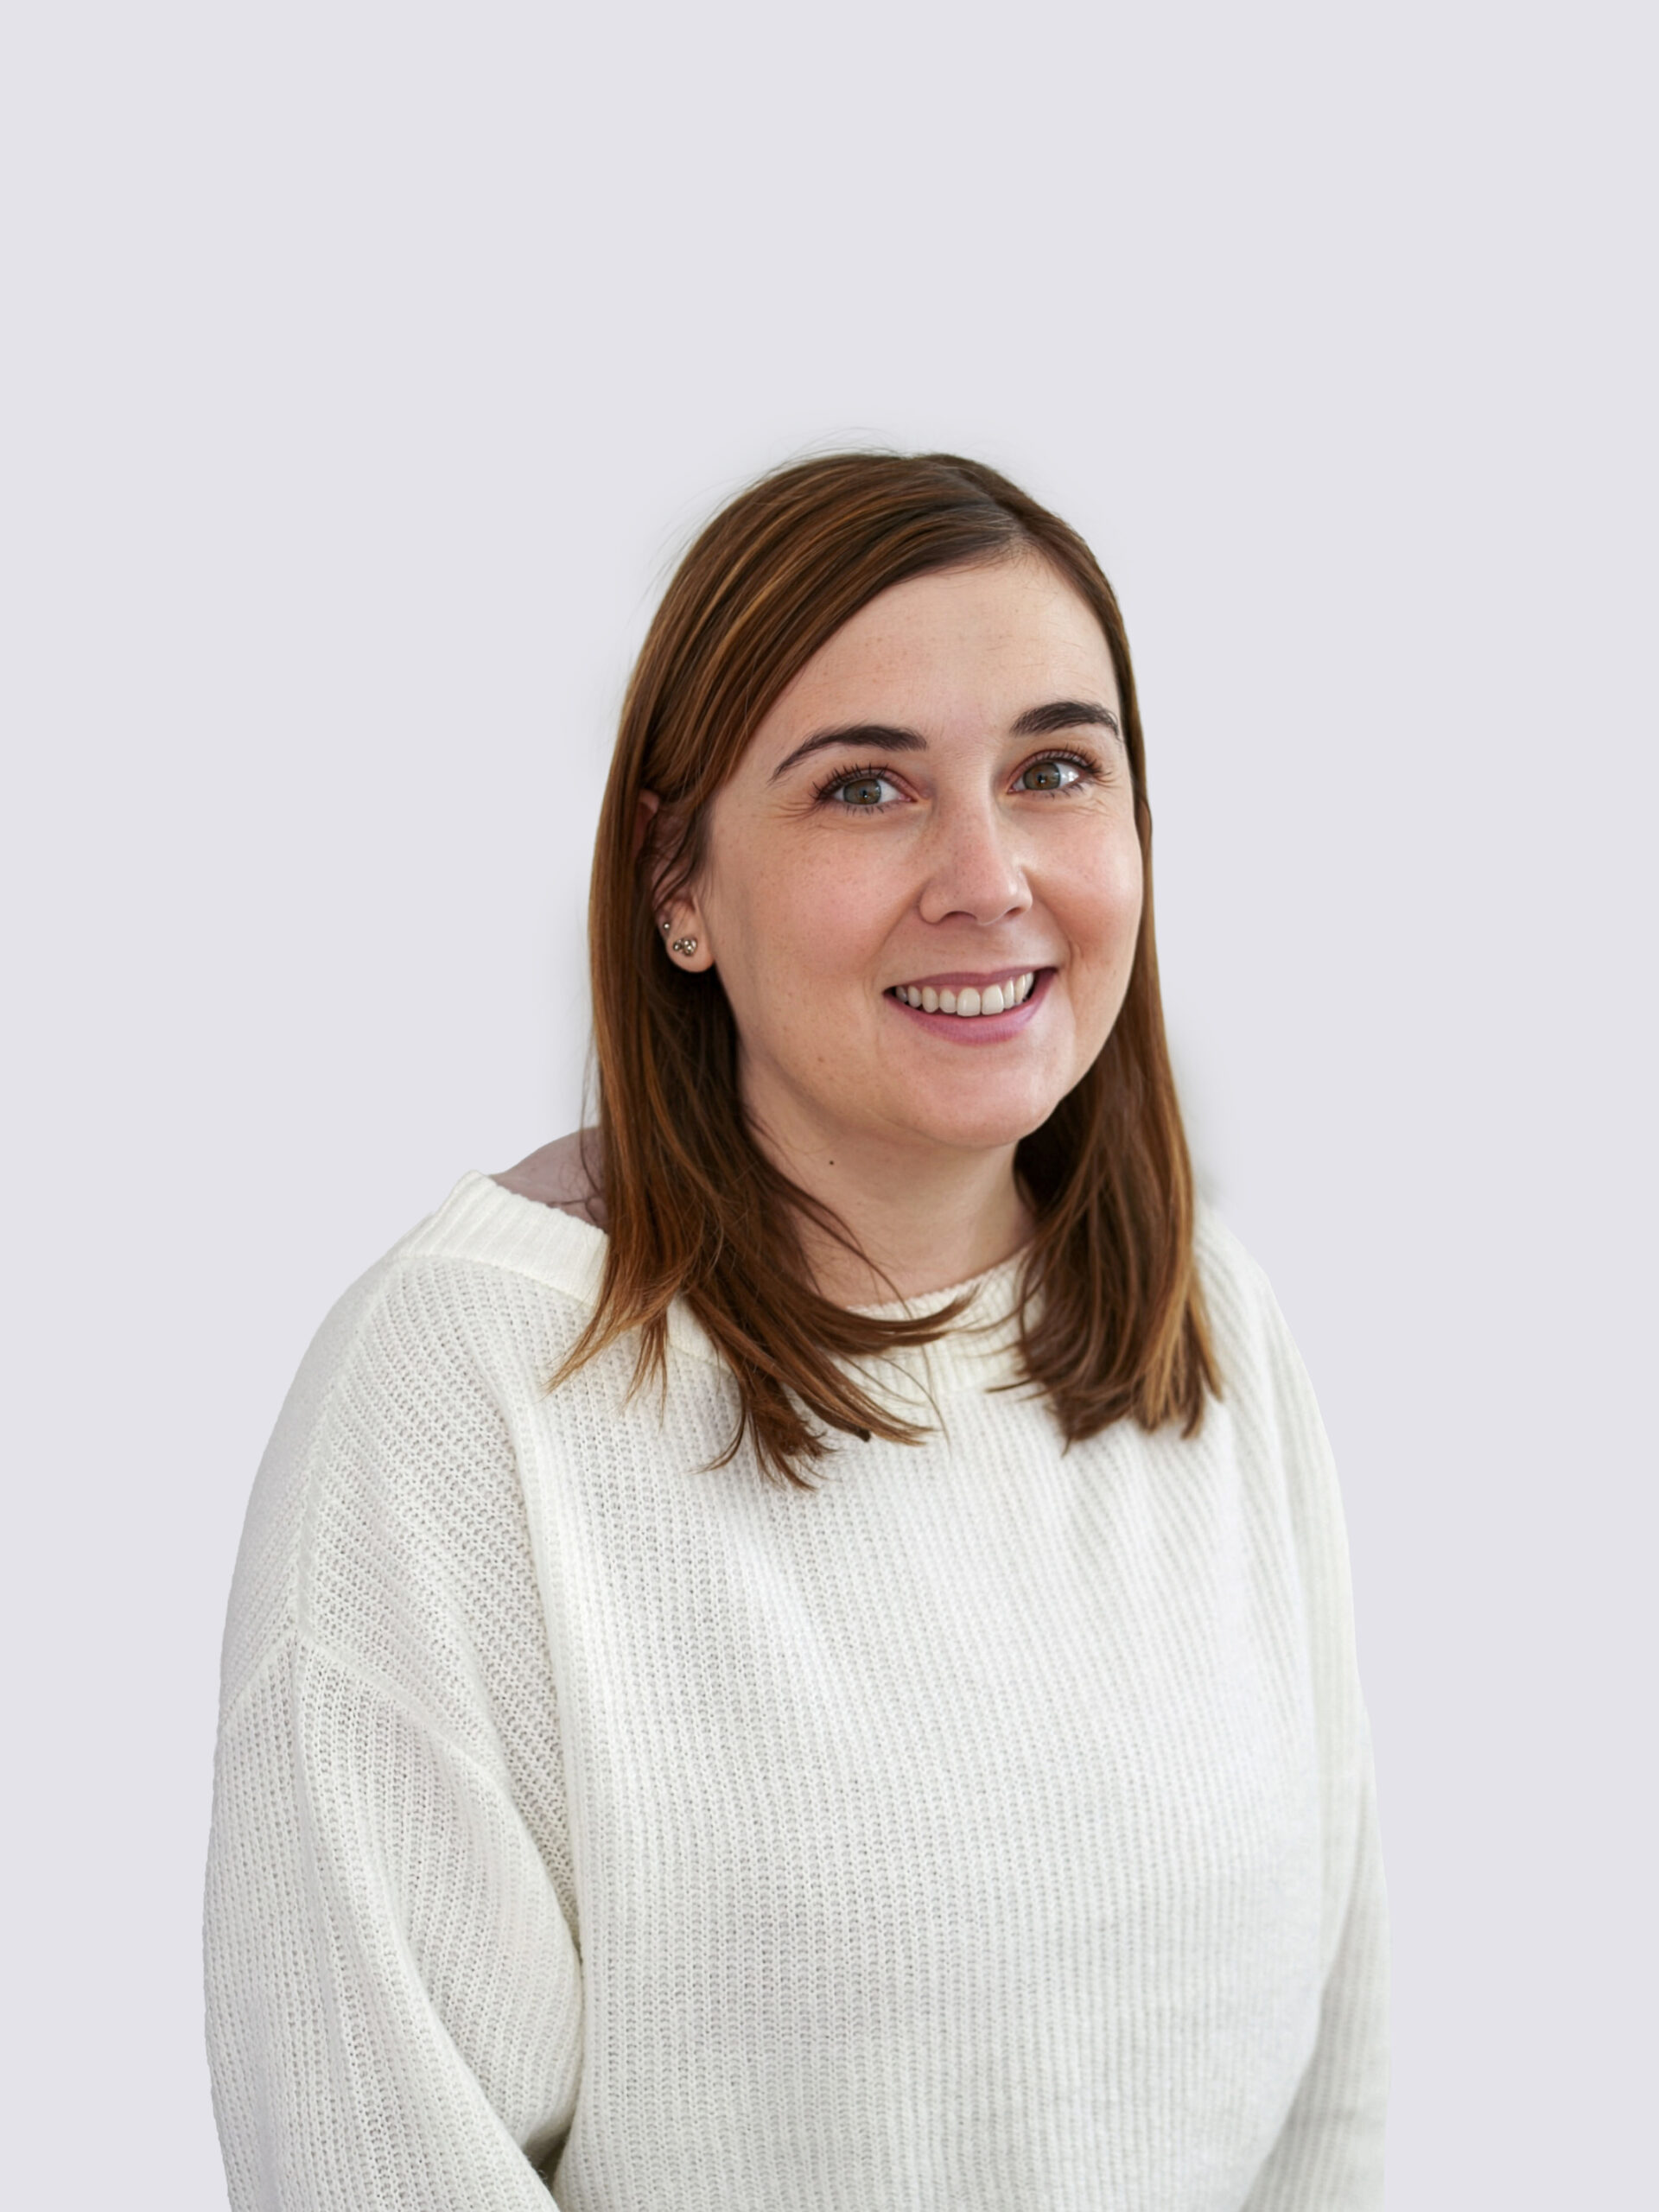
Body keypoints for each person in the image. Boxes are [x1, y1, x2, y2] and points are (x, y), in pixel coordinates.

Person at [204, 452, 1389, 2209]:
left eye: (1056, 769)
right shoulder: (468, 1395)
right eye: (864, 788)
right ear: (675, 882)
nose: (988, 876)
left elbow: (1332, 2110)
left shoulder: (1213, 1328)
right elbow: (375, 2154)